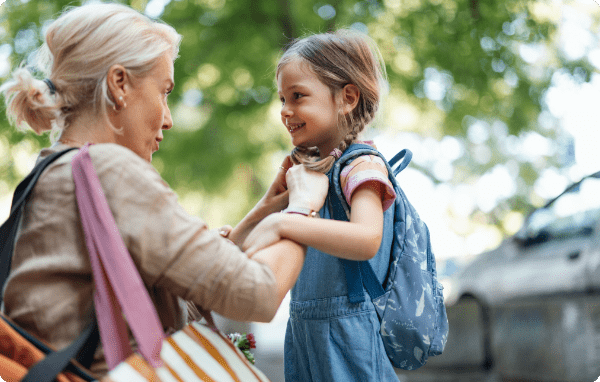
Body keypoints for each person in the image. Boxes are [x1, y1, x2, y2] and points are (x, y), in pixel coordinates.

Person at [0, 3, 328, 377]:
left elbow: (180, 283)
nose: (169, 119)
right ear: (119, 84)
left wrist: (263, 211)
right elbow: (257, 294)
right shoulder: (110, 169)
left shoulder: (48, 173)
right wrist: (302, 209)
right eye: (164, 91)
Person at [242, 30, 401, 381]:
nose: (285, 110)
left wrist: (284, 223)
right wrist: (269, 208)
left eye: (298, 96)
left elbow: (366, 238)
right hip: (305, 333)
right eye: (282, 98)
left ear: (347, 98)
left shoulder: (362, 165)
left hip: (348, 339)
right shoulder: (313, 173)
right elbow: (242, 252)